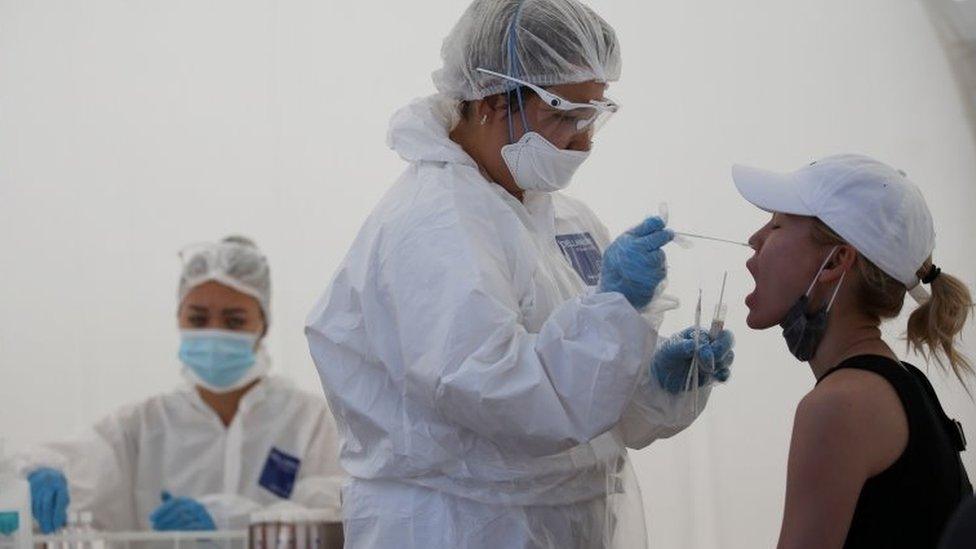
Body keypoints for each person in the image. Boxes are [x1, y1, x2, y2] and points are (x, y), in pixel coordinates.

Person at [304, 1, 735, 547]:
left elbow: (592, 405)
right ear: (490, 98)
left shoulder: (560, 218)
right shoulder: (434, 223)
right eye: (565, 115)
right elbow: (496, 393)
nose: (584, 142)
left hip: (563, 518)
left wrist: (655, 384)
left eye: (594, 115)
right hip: (460, 524)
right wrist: (614, 313)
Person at [20, 237, 345, 534]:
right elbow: (53, 463)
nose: (215, 332)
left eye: (234, 321)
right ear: (179, 319)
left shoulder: (310, 421)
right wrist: (35, 477)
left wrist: (233, 520)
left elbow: (337, 508)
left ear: (263, 325)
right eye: (198, 319)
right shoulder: (141, 426)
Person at [733, 154, 973, 548]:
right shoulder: (902, 382)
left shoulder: (841, 405)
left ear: (836, 261)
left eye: (776, 224)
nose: (755, 239)